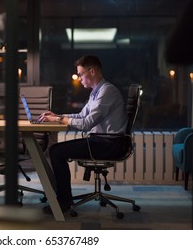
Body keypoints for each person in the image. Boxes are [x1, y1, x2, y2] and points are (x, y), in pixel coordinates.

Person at [39, 54, 129, 214]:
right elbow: (81, 115)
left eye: (81, 74)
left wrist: (59, 119)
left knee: (56, 151)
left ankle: (64, 202)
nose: (79, 78)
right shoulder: (96, 92)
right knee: (57, 151)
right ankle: (63, 198)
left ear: (92, 71)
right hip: (102, 141)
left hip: (110, 144)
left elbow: (87, 124)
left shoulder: (107, 91)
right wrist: (58, 116)